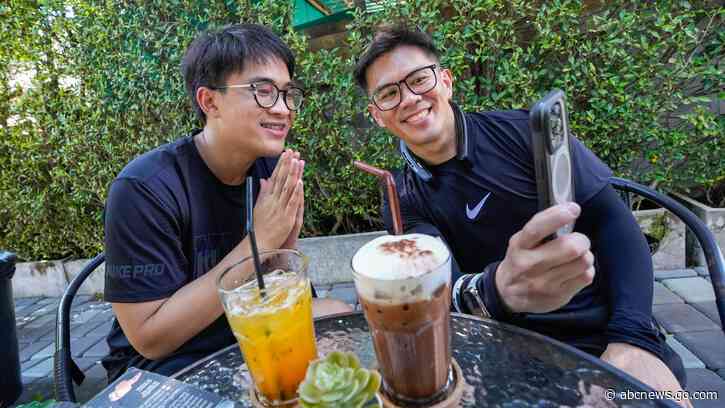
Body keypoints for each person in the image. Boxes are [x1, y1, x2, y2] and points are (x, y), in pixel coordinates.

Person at [353, 26, 690, 406]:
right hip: (506, 350)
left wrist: (633, 339)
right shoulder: (402, 196)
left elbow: (614, 222)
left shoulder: (521, 132)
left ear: (445, 81)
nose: (409, 98)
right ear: (377, 115)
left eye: (418, 79)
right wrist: (499, 290)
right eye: (388, 93)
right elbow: (442, 292)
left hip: (606, 326)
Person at [102, 23, 350, 382]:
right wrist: (259, 243)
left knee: (340, 317)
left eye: (288, 93)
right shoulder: (145, 189)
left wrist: (283, 245)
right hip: (165, 364)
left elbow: (278, 286)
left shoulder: (267, 168)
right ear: (209, 101)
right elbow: (150, 339)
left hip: (250, 327)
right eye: (263, 91)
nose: (283, 109)